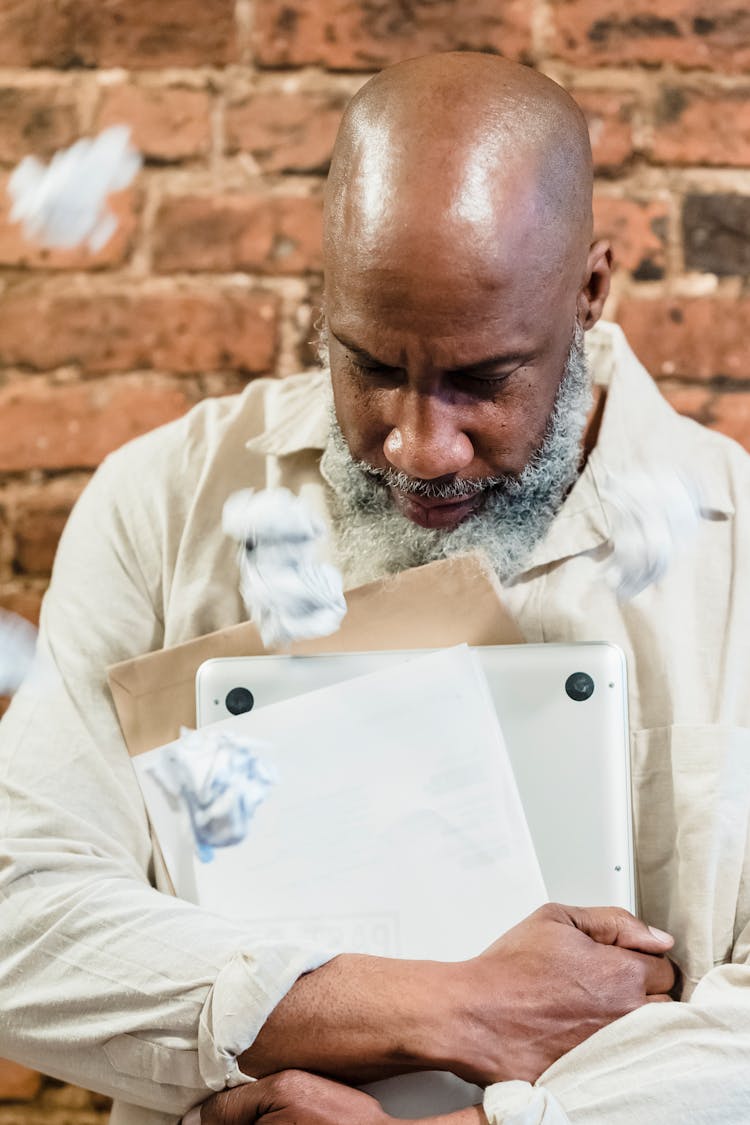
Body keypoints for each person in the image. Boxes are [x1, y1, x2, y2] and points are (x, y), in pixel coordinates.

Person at [1, 50, 748, 1125]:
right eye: (369, 365)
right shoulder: (161, 502)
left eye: (481, 381)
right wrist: (443, 1010)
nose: (418, 445)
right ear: (327, 285)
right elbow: (21, 920)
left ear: (589, 290)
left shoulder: (741, 543)